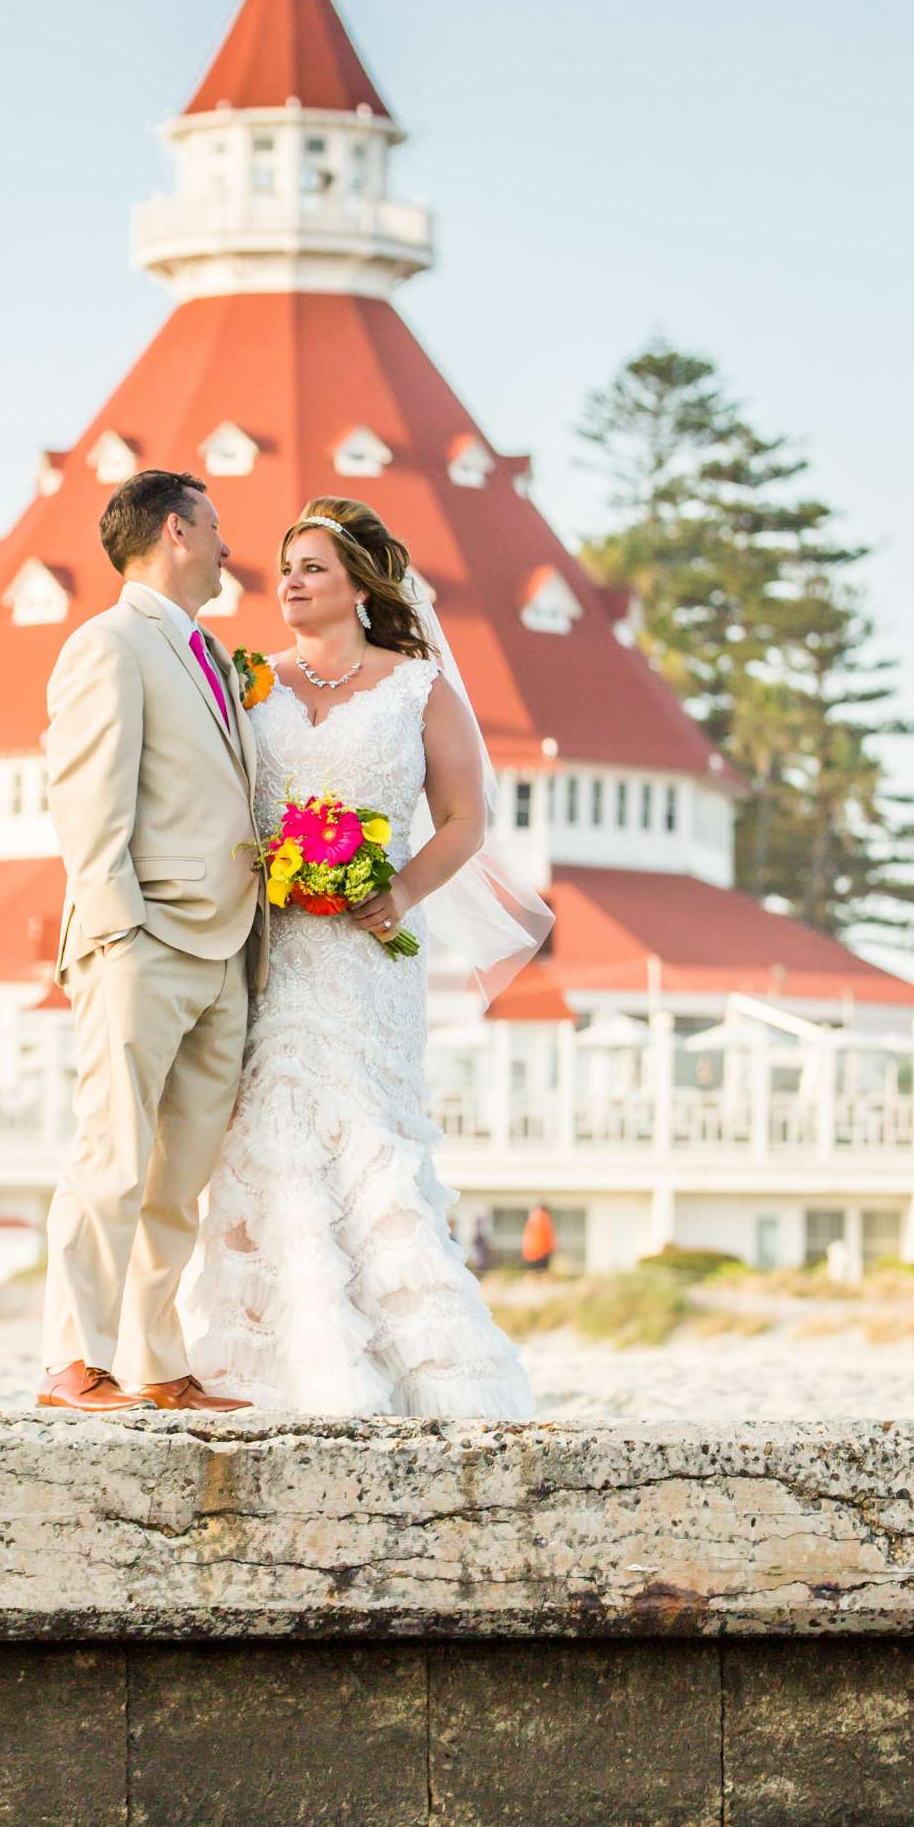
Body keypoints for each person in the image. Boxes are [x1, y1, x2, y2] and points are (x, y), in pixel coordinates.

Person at [185, 496, 549, 1415]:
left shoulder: (416, 688)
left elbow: (469, 818)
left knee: (364, 1136)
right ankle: (275, 1361)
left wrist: (401, 892)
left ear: (358, 586)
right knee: (269, 1128)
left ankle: (405, 1364)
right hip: (274, 949)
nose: (291, 582)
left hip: (367, 953)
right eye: (286, 566)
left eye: (311, 567)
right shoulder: (252, 683)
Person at [36, 470, 266, 1413]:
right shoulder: (109, 643)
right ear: (176, 530)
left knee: (180, 1176)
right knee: (114, 1155)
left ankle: (155, 1364)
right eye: (215, 528)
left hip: (226, 948)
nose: (226, 546)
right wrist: (121, 930)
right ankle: (68, 1362)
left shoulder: (207, 650)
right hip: (144, 940)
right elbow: (87, 798)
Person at [522, 1202, 556, 1276]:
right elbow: (548, 1235)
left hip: (531, 1251)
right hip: (542, 1250)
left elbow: (527, 1236)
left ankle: (530, 1286)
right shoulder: (545, 1218)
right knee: (544, 1271)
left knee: (532, 1271)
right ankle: (544, 1285)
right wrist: (551, 1247)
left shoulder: (532, 1218)